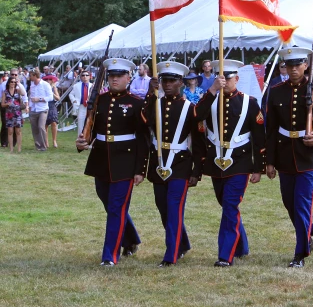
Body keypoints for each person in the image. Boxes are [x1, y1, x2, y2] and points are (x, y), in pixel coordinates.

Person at [75, 58, 149, 266]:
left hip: (125, 161)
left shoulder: (136, 103)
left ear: (128, 77)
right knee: (111, 205)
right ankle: (131, 238)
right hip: (100, 159)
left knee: (117, 208)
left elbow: (143, 140)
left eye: (119, 76)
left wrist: (140, 169)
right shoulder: (100, 99)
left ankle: (110, 255)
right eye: (111, 76)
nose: (114, 79)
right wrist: (83, 141)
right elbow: (91, 129)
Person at [266, 46, 313, 268]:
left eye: (298, 65)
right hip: (285, 153)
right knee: (289, 203)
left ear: (305, 65)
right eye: (289, 65)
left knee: (302, 204)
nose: (293, 69)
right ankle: (309, 229)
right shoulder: (276, 91)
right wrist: (270, 161)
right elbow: (271, 129)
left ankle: (300, 254)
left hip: (308, 157)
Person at [143, 61, 215, 267]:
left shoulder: (189, 108)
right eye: (164, 80)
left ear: (181, 83)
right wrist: (150, 91)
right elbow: (143, 119)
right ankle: (182, 243)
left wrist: (197, 171)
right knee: (163, 208)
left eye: (172, 80)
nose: (167, 84)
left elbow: (199, 142)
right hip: (158, 162)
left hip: (181, 163)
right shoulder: (154, 104)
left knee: (174, 208)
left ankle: (170, 255)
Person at [195, 59, 263, 268]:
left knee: (230, 206)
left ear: (238, 78)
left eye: (229, 77)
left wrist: (259, 166)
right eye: (221, 78)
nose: (225, 81)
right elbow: (197, 116)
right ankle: (241, 246)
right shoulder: (210, 99)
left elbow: (259, 136)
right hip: (216, 162)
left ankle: (226, 254)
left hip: (240, 162)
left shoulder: (249, 102)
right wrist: (213, 90)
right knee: (226, 205)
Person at [28, 68, 55, 151]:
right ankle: (38, 146)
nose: (29, 77)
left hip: (43, 109)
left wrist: (39, 99)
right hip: (33, 109)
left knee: (41, 127)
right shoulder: (32, 85)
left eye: (30, 76)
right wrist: (29, 107)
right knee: (34, 128)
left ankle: (43, 146)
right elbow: (31, 98)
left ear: (35, 76)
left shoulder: (45, 85)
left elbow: (51, 97)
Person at [2, 75, 25, 152]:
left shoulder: (17, 91)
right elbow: (2, 104)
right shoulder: (5, 92)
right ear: (8, 83)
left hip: (17, 113)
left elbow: (23, 93)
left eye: (14, 82)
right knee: (10, 131)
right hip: (9, 114)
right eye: (11, 82)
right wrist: (7, 104)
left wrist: (19, 84)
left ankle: (19, 148)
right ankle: (11, 148)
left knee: (18, 131)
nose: (13, 83)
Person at [70, 69, 93, 136]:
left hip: (91, 107)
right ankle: (80, 141)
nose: (85, 76)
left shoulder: (93, 86)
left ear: (89, 77)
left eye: (86, 75)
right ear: (80, 77)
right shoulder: (76, 86)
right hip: (81, 106)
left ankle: (90, 141)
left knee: (91, 123)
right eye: (83, 75)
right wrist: (74, 100)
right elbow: (71, 94)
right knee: (81, 124)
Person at [43, 75, 60, 148]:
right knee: (45, 125)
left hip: (52, 106)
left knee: (54, 123)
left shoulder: (54, 88)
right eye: (46, 80)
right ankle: (46, 141)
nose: (48, 81)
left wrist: (52, 93)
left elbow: (58, 98)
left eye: (50, 79)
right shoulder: (43, 88)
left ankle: (54, 140)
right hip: (45, 105)